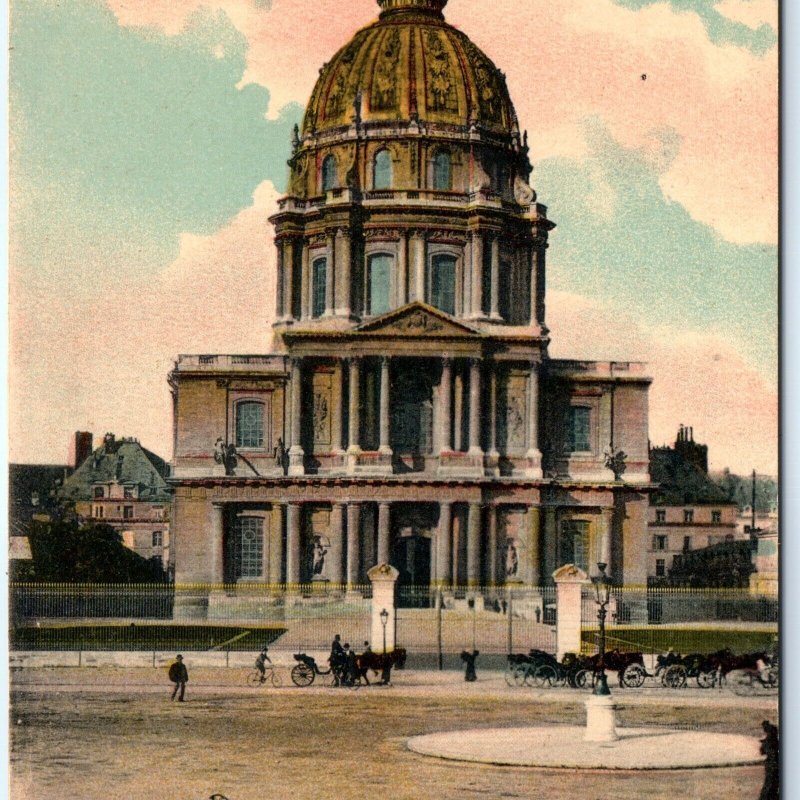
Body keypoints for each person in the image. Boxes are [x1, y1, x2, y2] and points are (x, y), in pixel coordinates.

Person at [760, 720, 779, 800]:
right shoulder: (772, 738)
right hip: (774, 762)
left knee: (770, 783)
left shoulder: (770, 739)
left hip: (772, 763)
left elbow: (762, 751)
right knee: (772, 783)